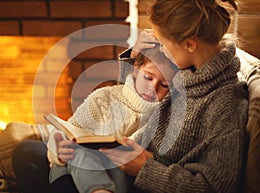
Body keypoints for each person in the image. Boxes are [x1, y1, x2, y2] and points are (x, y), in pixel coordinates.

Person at [98, 0, 249, 192]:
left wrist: (145, 169)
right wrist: (136, 57)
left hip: (131, 181)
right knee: (51, 153)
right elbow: (134, 105)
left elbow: (213, 186)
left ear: (189, 44)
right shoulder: (189, 72)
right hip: (123, 163)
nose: (158, 48)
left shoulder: (225, 105)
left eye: (162, 43)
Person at [46, 44, 177, 193]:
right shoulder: (104, 97)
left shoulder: (165, 116)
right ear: (136, 69)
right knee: (79, 151)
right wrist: (59, 150)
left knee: (116, 162)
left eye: (164, 85)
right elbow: (69, 130)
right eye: (148, 77)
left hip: (119, 173)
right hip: (73, 168)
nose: (153, 88)